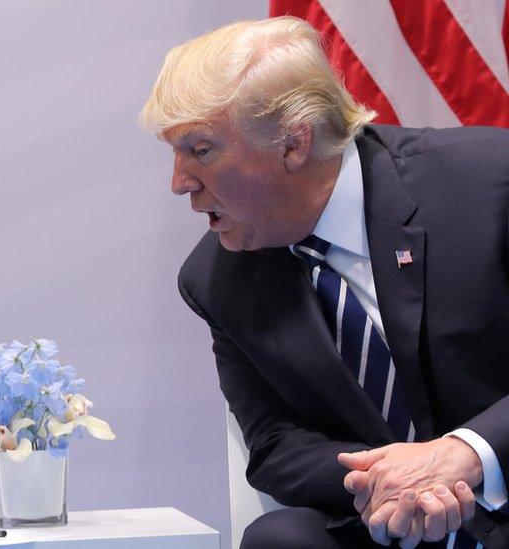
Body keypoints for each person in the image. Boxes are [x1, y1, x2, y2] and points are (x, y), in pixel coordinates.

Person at [141, 16, 509, 548]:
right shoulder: (218, 278)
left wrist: (465, 454)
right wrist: (389, 478)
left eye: (200, 150)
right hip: (384, 520)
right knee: (282, 538)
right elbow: (275, 444)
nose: (179, 184)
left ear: (294, 142)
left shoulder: (486, 185)